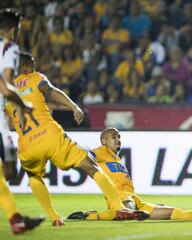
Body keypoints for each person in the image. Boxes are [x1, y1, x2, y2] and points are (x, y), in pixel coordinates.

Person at [5, 52, 150, 227]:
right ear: (26, 64)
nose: (35, 65)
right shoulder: (35, 78)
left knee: (34, 176)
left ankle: (54, 217)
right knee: (90, 164)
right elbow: (51, 91)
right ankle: (120, 208)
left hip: (26, 144)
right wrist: (73, 106)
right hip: (49, 135)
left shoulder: (7, 92)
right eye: (33, 62)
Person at [67, 127, 192, 221]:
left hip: (135, 198)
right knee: (128, 210)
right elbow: (85, 152)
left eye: (119, 137)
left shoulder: (116, 158)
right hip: (119, 198)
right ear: (103, 140)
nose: (118, 139)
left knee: (172, 212)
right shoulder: (101, 151)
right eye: (113, 137)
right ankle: (90, 216)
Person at [0, 8, 45, 234]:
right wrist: (23, 104)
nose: (16, 34)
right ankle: (15, 219)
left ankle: (15, 219)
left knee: (5, 173)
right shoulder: (9, 48)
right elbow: (5, 84)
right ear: (11, 30)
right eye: (16, 29)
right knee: (9, 171)